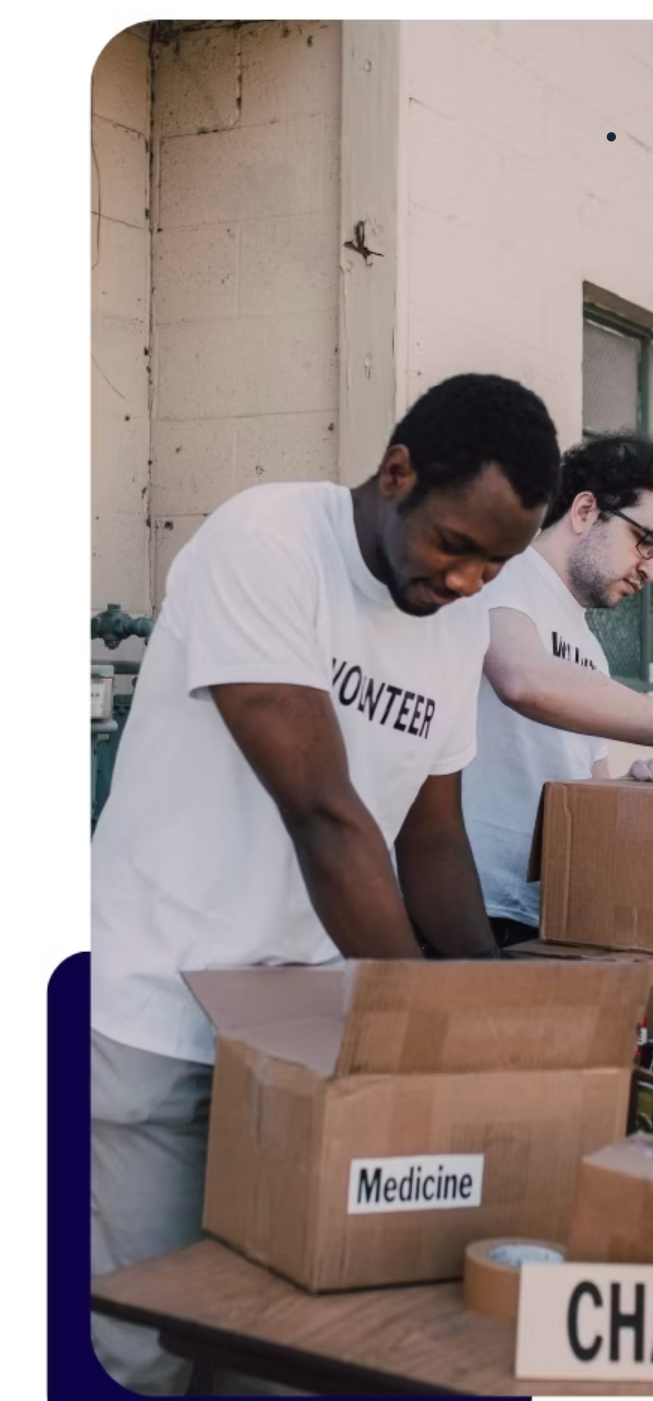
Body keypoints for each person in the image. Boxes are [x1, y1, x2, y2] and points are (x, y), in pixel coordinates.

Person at [88, 373, 560, 1395]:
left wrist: (490, 1021)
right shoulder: (266, 543)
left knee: (278, 1339)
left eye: (498, 564)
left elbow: (429, 840)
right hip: (159, 1008)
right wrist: (418, 1042)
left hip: (298, 1029)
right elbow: (330, 817)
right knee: (143, 1343)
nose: (470, 581)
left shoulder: (460, 625)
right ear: (396, 474)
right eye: (456, 546)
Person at [462, 433, 653, 947]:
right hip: (467, 910)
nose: (652, 570)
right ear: (584, 510)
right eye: (647, 542)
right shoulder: (503, 573)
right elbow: (522, 678)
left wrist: (633, 787)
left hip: (548, 915)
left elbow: (587, 788)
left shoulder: (591, 651)